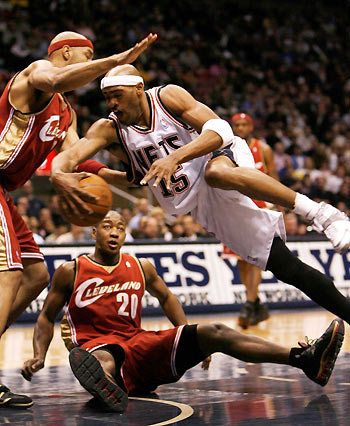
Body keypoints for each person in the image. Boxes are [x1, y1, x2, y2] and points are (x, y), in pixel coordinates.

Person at [50, 64, 350, 330]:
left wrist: (174, 157)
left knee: (216, 173)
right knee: (286, 267)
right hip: (202, 204)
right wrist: (59, 175)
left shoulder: (166, 97)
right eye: (107, 98)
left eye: (117, 95)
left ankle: (322, 214)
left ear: (138, 88)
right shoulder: (109, 129)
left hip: (218, 156)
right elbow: (72, 157)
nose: (112, 103)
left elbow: (220, 128)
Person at [21, 211, 344, 412]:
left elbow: (168, 298)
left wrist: (183, 331)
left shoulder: (140, 266)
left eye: (120, 227)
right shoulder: (71, 270)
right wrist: (39, 355)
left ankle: (303, 359)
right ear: (94, 233)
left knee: (213, 332)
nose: (115, 232)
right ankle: (107, 384)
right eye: (107, 227)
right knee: (100, 360)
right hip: (98, 345)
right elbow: (47, 316)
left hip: (139, 343)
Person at [0, 33, 156, 408]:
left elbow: (75, 156)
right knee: (8, 274)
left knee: (36, 275)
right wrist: (114, 60)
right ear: (66, 52)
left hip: (4, 192)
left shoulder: (64, 113)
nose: (92, 63)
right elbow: (54, 80)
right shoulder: (35, 74)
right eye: (88, 57)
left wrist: (119, 177)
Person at [224, 112, 280, 328]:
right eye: (236, 124)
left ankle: (248, 303)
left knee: (253, 257)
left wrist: (277, 204)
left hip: (259, 208)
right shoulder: (228, 149)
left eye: (244, 124)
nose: (240, 128)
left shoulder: (263, 149)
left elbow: (273, 177)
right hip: (235, 208)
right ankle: (257, 306)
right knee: (240, 259)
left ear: (251, 127)